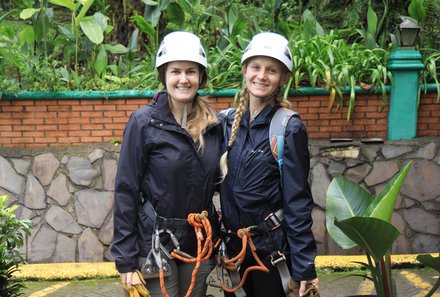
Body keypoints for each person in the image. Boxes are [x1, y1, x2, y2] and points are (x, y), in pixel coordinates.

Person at [111, 31, 222, 297]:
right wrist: (126, 259)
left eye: (191, 72)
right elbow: (126, 191)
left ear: (201, 77)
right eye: (176, 72)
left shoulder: (214, 125)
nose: (183, 79)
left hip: (199, 242)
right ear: (164, 75)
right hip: (155, 242)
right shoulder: (143, 123)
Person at [218, 32, 319, 297]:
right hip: (234, 253)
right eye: (256, 67)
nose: (262, 76)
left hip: (271, 253)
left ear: (283, 78)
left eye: (271, 70)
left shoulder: (289, 128)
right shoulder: (227, 123)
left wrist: (305, 266)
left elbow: (297, 201)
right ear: (244, 70)